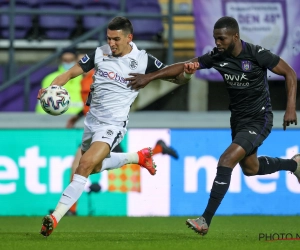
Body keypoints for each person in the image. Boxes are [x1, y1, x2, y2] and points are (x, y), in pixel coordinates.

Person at [125, 16, 300, 236]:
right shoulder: (217, 56)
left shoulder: (257, 54)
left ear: (235, 36)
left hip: (259, 119)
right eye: (215, 38)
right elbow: (183, 65)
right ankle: (294, 165)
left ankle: (205, 220)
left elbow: (289, 73)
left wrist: (290, 107)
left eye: (222, 39)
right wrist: (150, 77)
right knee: (251, 169)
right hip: (238, 121)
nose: (217, 43)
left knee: (226, 160)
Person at [37, 16, 192, 237]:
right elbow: (69, 74)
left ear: (129, 37)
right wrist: (50, 89)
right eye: (109, 38)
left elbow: (176, 78)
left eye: (116, 39)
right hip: (92, 123)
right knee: (96, 167)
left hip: (113, 124)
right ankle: (139, 157)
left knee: (85, 164)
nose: (111, 43)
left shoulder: (142, 60)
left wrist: (186, 72)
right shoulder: (100, 53)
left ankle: (55, 217)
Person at [65, 62, 179, 215]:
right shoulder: (83, 80)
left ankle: (71, 209)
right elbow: (90, 104)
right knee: (122, 161)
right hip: (95, 129)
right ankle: (158, 149)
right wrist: (77, 117)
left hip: (106, 128)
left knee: (81, 164)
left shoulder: (99, 76)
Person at [36, 48, 83, 114]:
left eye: (71, 60)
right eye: (65, 60)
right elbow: (45, 101)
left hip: (79, 119)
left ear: (76, 60)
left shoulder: (83, 78)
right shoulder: (50, 78)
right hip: (55, 119)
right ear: (61, 60)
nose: (68, 63)